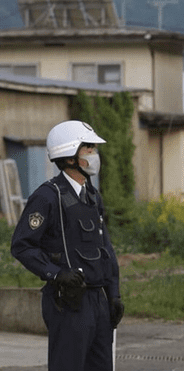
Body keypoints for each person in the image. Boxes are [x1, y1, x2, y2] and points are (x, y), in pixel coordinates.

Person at [11, 120, 124, 371]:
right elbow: (22, 245)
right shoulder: (47, 196)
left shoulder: (93, 196)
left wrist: (113, 295)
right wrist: (56, 273)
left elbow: (106, 250)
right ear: (70, 156)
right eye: (89, 149)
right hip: (69, 301)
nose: (95, 155)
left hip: (98, 299)